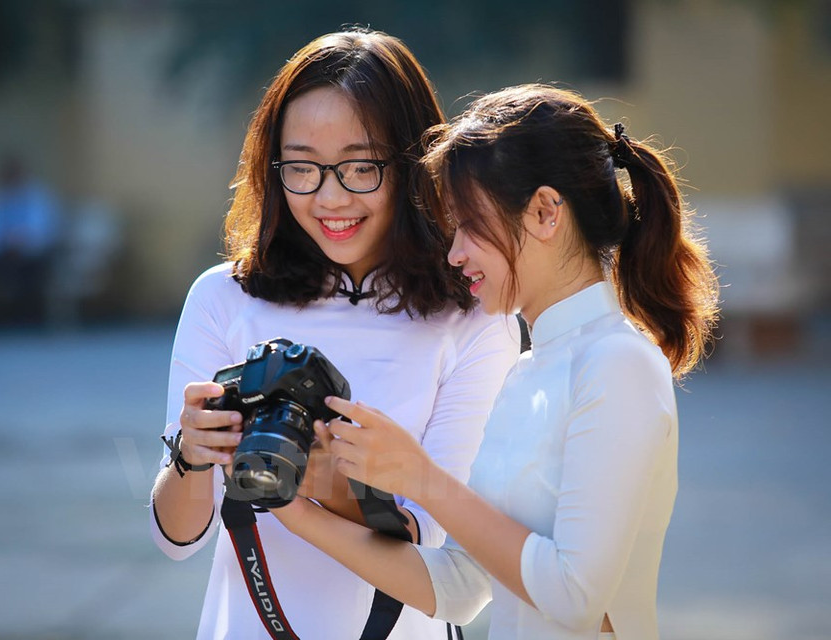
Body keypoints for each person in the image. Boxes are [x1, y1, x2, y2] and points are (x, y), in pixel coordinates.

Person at [271, 84, 720, 639]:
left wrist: (422, 479)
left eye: (468, 225)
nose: (454, 252)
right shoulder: (526, 372)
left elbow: (574, 595)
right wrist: (292, 507)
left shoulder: (618, 364)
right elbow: (459, 590)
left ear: (544, 212)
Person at [149, 29, 520, 639]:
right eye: (301, 167)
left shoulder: (475, 315)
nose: (329, 196)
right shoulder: (224, 297)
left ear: (411, 164)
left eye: (359, 166)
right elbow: (177, 540)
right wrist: (191, 456)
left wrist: (320, 480)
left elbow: (437, 545)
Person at [0, 154, 61, 326]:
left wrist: (21, 242)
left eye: (15, 173)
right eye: (8, 174)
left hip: (31, 252)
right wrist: (3, 243)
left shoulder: (38, 197)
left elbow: (45, 229)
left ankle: (31, 318)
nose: (12, 178)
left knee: (37, 269)